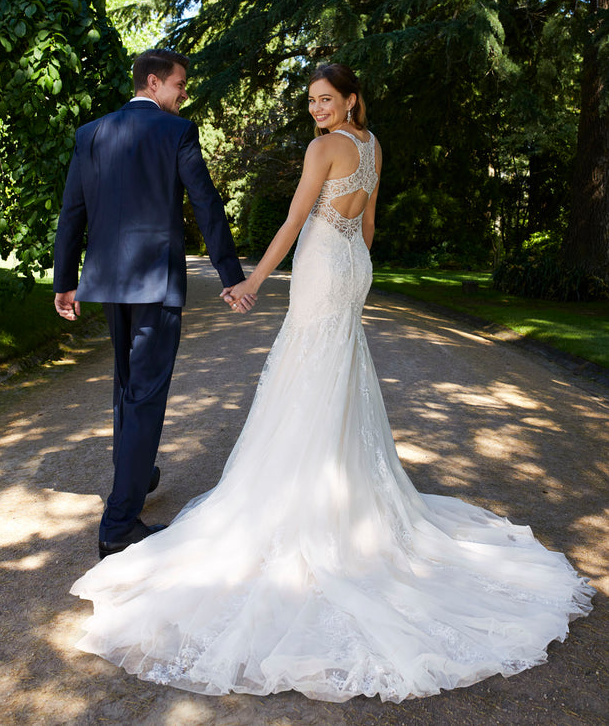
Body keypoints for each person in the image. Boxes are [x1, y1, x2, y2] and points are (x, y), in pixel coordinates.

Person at [70, 63, 593, 704]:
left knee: (300, 371)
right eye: (312, 101)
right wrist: (355, 268)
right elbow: (367, 221)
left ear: (351, 99)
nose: (316, 109)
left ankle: (288, 500)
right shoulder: (373, 146)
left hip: (321, 259)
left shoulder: (323, 147)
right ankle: (333, 491)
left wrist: (252, 281)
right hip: (351, 263)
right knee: (335, 369)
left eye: (326, 99)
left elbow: (293, 222)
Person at [53, 48, 255, 561]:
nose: (184, 92)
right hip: (155, 283)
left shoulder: (90, 133)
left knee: (126, 387)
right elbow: (206, 205)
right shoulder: (177, 132)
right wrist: (231, 276)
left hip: (107, 283)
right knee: (144, 395)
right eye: (180, 83)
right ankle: (119, 524)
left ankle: (137, 477)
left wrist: (65, 282)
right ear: (153, 82)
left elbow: (72, 213)